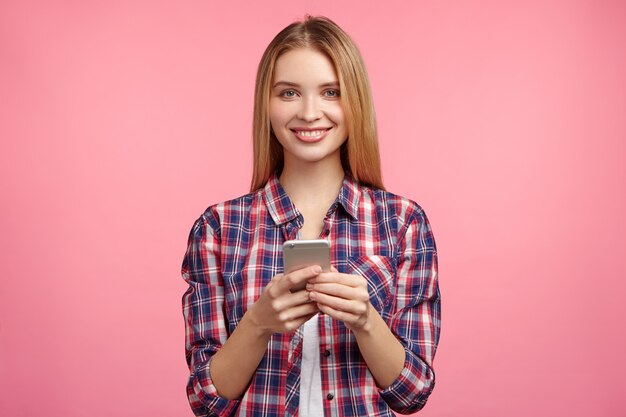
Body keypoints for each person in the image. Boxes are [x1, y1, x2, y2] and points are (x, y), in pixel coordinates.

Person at [181, 15, 440, 417]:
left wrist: (366, 321)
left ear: (354, 101)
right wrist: (258, 323)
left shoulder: (402, 222)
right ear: (265, 104)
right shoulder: (218, 229)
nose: (308, 111)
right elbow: (206, 400)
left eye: (330, 92)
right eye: (288, 93)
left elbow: (413, 393)